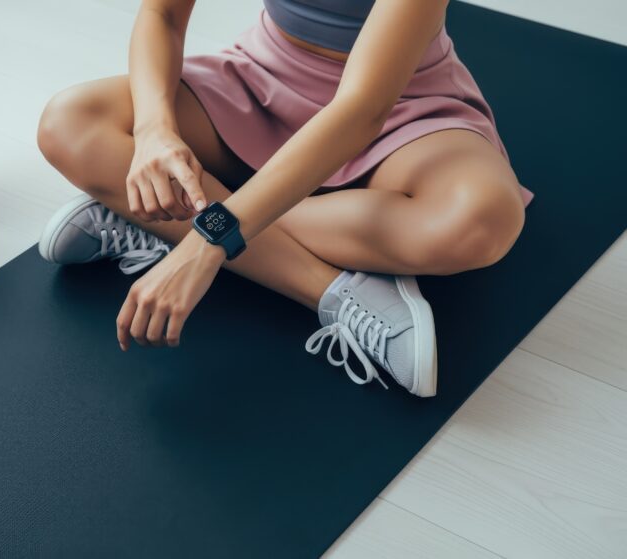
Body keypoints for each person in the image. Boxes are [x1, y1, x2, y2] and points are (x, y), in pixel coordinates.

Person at [35, 0, 531, 397]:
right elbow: (161, 14)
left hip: (399, 102)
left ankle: (172, 214)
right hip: (262, 78)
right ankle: (331, 291)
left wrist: (207, 238)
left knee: (480, 221)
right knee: (69, 124)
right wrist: (153, 133)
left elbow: (362, 108)